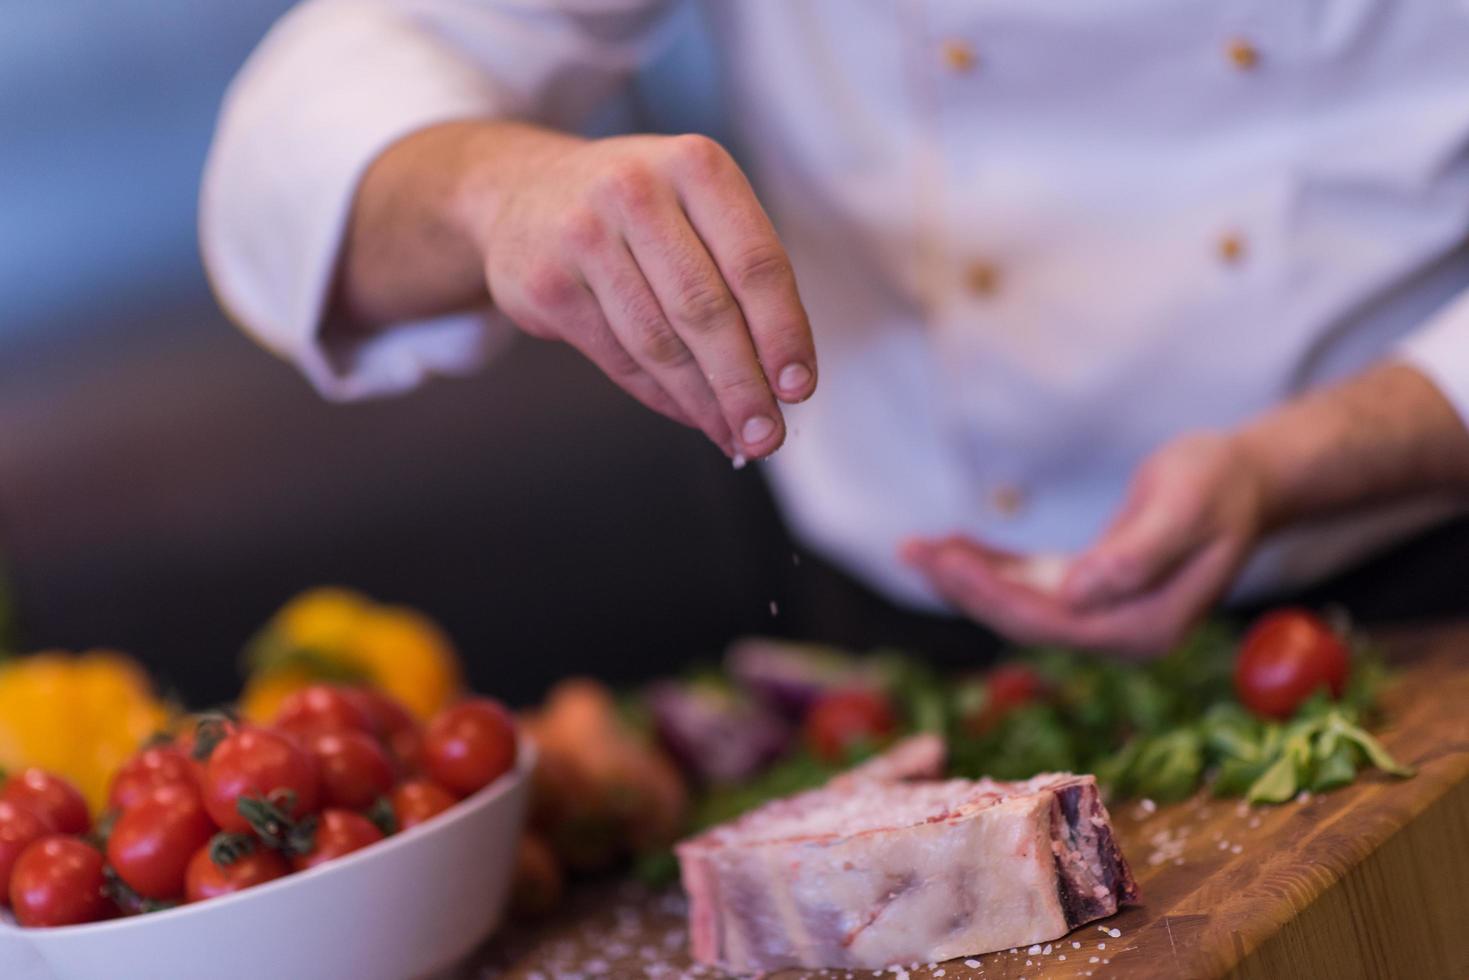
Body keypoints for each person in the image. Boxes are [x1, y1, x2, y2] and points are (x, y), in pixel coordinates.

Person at [202, 2, 1469, 658]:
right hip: (917, 647)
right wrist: (495, 187)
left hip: (1427, 590)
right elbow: (300, 126)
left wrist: (1309, 457)